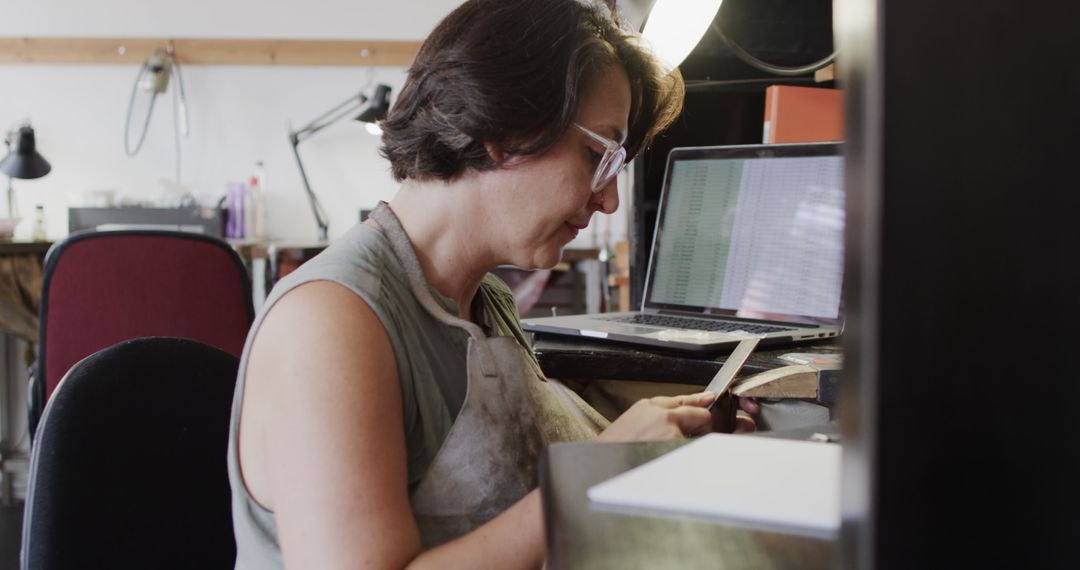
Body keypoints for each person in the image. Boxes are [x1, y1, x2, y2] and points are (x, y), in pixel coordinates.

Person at [226, 0, 758, 567]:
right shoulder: (331, 324)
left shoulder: (487, 302)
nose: (609, 199)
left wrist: (658, 452)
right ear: (504, 129)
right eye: (596, 156)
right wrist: (598, 473)